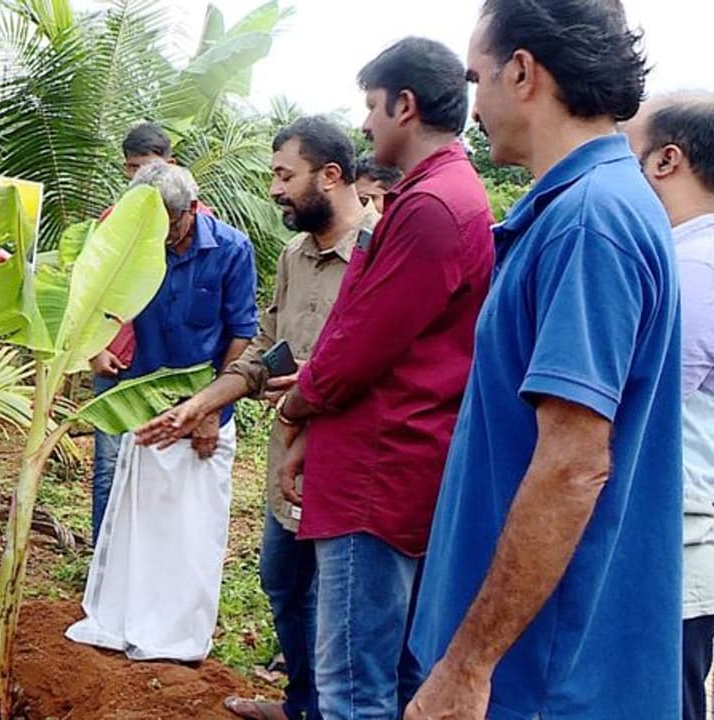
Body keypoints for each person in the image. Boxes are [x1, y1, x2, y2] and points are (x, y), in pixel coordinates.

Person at [406, 3, 680, 719]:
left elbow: (572, 466)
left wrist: (469, 666)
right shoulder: (586, 207)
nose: (473, 105)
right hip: (539, 663)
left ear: (522, 71)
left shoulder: (591, 222)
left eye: (476, 77)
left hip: (539, 678)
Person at [273, 38, 494, 719]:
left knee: (353, 690)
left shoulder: (431, 208)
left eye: (372, 105)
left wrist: (296, 408)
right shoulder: (433, 197)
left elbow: (363, 341)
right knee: (388, 676)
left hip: (377, 469)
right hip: (382, 459)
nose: (366, 123)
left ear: (405, 105)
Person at [138, 115, 377, 720]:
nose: (273, 189)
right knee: (284, 585)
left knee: (339, 610)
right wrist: (202, 404)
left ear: (330, 175)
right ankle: (301, 704)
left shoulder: (384, 251)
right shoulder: (295, 255)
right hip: (287, 455)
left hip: (354, 463)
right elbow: (265, 353)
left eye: (283, 175)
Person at [66, 163, 258, 662]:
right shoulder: (132, 247)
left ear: (190, 212)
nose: (160, 235)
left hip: (205, 412)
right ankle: (129, 621)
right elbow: (92, 300)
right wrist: (96, 350)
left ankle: (176, 637)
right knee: (140, 526)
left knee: (193, 530)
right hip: (143, 408)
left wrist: (212, 409)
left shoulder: (232, 250)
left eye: (167, 224)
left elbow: (241, 333)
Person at [623, 92, 714, 720]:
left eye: (626, 152)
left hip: (672, 547)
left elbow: (641, 417)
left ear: (666, 160)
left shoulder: (687, 269)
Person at [87, 123, 215, 546]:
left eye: (144, 167)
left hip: (172, 370)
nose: (136, 179)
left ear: (170, 165)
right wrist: (96, 348)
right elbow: (90, 289)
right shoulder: (114, 221)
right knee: (110, 463)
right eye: (130, 169)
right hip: (118, 360)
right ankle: (103, 556)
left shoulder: (202, 227)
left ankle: (152, 556)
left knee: (166, 463)